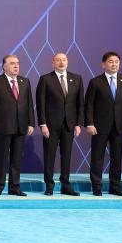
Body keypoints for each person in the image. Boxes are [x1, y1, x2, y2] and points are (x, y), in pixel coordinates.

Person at [84, 51, 122, 196]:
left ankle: (115, 187)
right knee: (97, 158)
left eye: (116, 62)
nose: (114, 64)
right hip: (99, 127)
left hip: (119, 126)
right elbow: (89, 105)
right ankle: (97, 187)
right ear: (103, 64)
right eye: (111, 61)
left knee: (116, 158)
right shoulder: (95, 82)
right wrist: (89, 123)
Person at [0, 54, 35, 196]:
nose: (16, 66)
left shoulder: (25, 81)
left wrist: (31, 122)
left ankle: (14, 187)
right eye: (12, 63)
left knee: (16, 159)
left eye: (17, 63)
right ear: (4, 67)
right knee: (1, 159)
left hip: (21, 126)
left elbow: (29, 104)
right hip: (2, 126)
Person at [35, 52, 84, 196]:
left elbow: (80, 104)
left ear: (67, 62)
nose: (61, 62)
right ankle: (49, 186)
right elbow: (40, 103)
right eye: (58, 60)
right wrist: (43, 124)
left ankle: (66, 186)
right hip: (50, 125)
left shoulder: (77, 78)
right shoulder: (45, 79)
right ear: (53, 63)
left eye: (64, 60)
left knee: (66, 156)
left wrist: (78, 124)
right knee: (49, 156)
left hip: (69, 125)